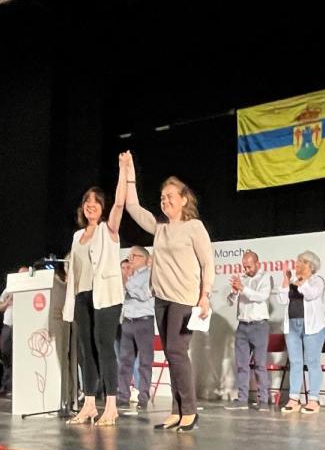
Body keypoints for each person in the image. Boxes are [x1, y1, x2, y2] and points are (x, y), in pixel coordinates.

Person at [121, 151, 213, 432]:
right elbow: (133, 206)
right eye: (162, 196)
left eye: (170, 195)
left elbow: (208, 261)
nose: (165, 200)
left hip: (185, 298)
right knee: (172, 354)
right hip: (161, 299)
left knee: (176, 350)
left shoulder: (193, 227)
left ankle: (190, 410)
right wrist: (129, 171)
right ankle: (176, 410)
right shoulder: (159, 228)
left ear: (184, 198)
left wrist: (205, 294)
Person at [63, 181, 125, 426]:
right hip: (82, 296)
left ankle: (111, 406)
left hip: (106, 297)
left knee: (104, 347)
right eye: (87, 202)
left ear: (102, 208)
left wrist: (125, 171)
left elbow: (120, 203)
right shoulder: (78, 236)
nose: (91, 206)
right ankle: (89, 405)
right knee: (86, 352)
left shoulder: (107, 229)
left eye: (96, 203)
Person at [276, 251, 325, 414]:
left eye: (300, 262)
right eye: (297, 262)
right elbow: (282, 300)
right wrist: (286, 279)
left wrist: (301, 282)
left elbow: (311, 295)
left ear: (309, 265)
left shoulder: (317, 281)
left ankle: (313, 399)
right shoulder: (292, 281)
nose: (296, 265)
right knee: (296, 362)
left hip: (313, 326)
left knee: (312, 361)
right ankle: (294, 398)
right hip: (292, 326)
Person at [225, 251, 272, 410]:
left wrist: (243, 289)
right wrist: (233, 291)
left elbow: (261, 297)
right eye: (244, 266)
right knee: (241, 365)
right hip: (243, 326)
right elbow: (230, 302)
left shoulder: (265, 277)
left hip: (259, 326)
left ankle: (264, 400)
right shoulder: (242, 279)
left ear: (257, 263)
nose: (246, 269)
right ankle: (242, 399)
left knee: (260, 365)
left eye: (249, 266)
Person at [117, 246, 154, 412]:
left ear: (145, 259)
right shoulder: (126, 275)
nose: (130, 259)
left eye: (135, 256)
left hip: (144, 321)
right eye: (129, 256)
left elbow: (145, 294)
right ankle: (122, 396)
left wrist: (127, 283)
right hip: (127, 321)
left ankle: (143, 397)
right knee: (125, 361)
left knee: (144, 362)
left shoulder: (150, 274)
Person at [0, 265, 30, 396]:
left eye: (25, 274)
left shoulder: (32, 288)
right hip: (8, 325)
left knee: (20, 357)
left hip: (23, 326)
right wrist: (7, 302)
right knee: (6, 355)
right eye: (20, 274)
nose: (22, 277)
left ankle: (20, 387)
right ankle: (6, 386)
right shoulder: (10, 288)